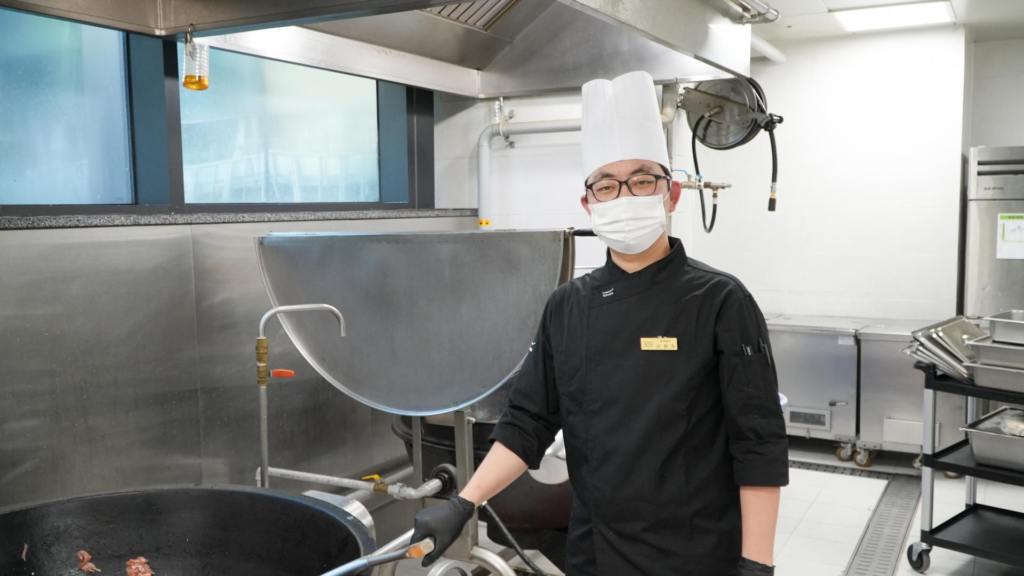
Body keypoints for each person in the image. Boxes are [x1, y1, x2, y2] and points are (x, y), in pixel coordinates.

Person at [411, 71, 789, 576]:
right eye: (607, 186)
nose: (624, 195)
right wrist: (464, 503)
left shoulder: (721, 300)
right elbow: (528, 423)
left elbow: (757, 442)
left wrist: (757, 564)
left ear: (672, 194)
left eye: (642, 181)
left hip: (694, 552)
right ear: (589, 204)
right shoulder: (567, 306)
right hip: (596, 549)